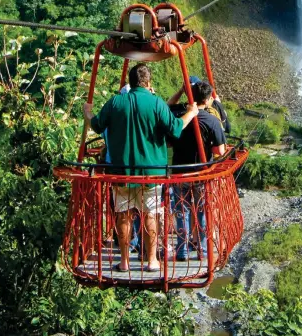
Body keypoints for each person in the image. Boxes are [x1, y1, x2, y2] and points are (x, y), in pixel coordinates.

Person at [83, 63, 197, 272]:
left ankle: (124, 261)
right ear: (148, 82)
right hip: (151, 174)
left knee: (123, 215)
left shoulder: (116, 102)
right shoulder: (156, 103)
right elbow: (175, 129)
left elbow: (97, 125)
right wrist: (190, 112)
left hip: (122, 174)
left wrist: (87, 114)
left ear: (130, 81)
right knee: (150, 215)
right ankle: (152, 260)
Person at [168, 80, 226, 260]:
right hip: (201, 172)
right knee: (201, 210)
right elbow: (220, 151)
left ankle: (182, 250)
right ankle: (202, 249)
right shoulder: (212, 120)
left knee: (181, 211)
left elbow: (167, 106)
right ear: (208, 100)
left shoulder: (177, 115)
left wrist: (181, 91)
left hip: (179, 170)